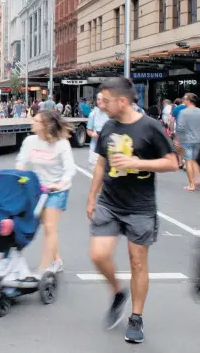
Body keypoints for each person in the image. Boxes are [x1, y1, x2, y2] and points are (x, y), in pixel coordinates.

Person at [86, 77, 178, 343]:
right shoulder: (108, 127)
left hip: (140, 207)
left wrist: (138, 163)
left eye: (106, 100)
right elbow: (101, 165)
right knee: (98, 254)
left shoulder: (150, 127)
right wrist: (92, 197)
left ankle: (136, 318)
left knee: (137, 262)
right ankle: (118, 292)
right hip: (109, 203)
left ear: (122, 101)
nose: (101, 105)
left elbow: (173, 163)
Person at [16, 110, 76, 275]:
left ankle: (43, 268)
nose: (32, 122)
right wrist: (19, 176)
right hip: (37, 189)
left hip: (57, 190)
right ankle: (57, 260)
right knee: (48, 228)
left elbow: (69, 169)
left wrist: (60, 184)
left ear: (45, 126)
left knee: (50, 226)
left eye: (36, 120)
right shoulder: (29, 141)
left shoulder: (61, 143)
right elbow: (21, 162)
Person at [176, 93, 200, 191]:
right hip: (198, 139)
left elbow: (180, 128)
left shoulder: (183, 112)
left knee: (189, 161)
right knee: (194, 159)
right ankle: (197, 179)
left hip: (187, 140)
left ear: (189, 100)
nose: (183, 100)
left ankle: (191, 184)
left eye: (184, 99)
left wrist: (179, 140)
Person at [86, 93, 109, 171]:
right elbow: (89, 130)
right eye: (98, 99)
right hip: (95, 149)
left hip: (108, 150)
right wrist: (93, 134)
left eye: (102, 99)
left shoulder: (112, 114)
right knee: (95, 174)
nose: (100, 101)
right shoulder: (93, 114)